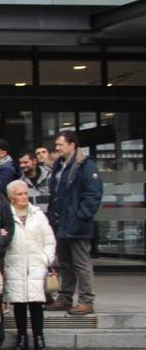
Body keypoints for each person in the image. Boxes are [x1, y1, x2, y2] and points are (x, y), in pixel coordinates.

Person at [45, 130, 102, 316]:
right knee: (65, 263)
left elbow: (93, 195)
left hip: (77, 224)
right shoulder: (60, 165)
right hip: (61, 223)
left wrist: (80, 216)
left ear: (72, 145)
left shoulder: (86, 166)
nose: (57, 148)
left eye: (60, 144)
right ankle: (65, 297)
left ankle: (86, 300)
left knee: (81, 263)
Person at [5, 180, 56, 350]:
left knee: (36, 303)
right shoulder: (7, 215)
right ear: (12, 197)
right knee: (18, 303)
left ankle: (39, 338)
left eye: (26, 193)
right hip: (15, 265)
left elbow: (49, 240)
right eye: (20, 194)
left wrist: (45, 259)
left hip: (35, 265)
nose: (24, 197)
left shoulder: (38, 214)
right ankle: (21, 338)